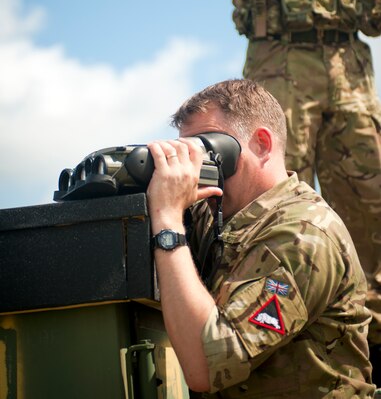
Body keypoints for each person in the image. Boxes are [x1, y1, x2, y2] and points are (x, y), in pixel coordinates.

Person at [179, 0, 381, 374]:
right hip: (276, 64)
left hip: (350, 72)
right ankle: (246, 332)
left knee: (370, 217)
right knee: (263, 201)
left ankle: (362, 355)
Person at [146, 79, 375, 397]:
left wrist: (168, 222)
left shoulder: (303, 234)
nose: (198, 166)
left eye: (207, 149)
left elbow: (205, 367)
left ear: (261, 144)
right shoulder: (223, 215)